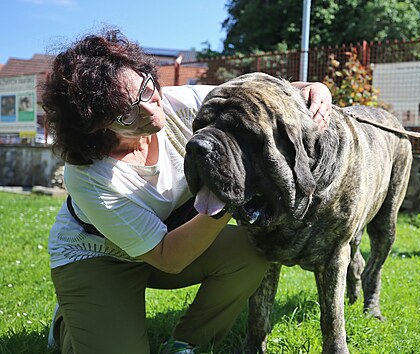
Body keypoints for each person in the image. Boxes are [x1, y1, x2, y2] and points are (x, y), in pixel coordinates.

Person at [43, 29, 332, 354]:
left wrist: (311, 88)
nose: (151, 112)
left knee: (252, 252)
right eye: (125, 114)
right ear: (94, 126)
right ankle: (72, 321)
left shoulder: (181, 103)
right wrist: (227, 197)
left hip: (171, 232)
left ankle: (187, 343)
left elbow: (259, 98)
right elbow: (169, 258)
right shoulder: (88, 174)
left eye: (147, 89)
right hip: (100, 256)